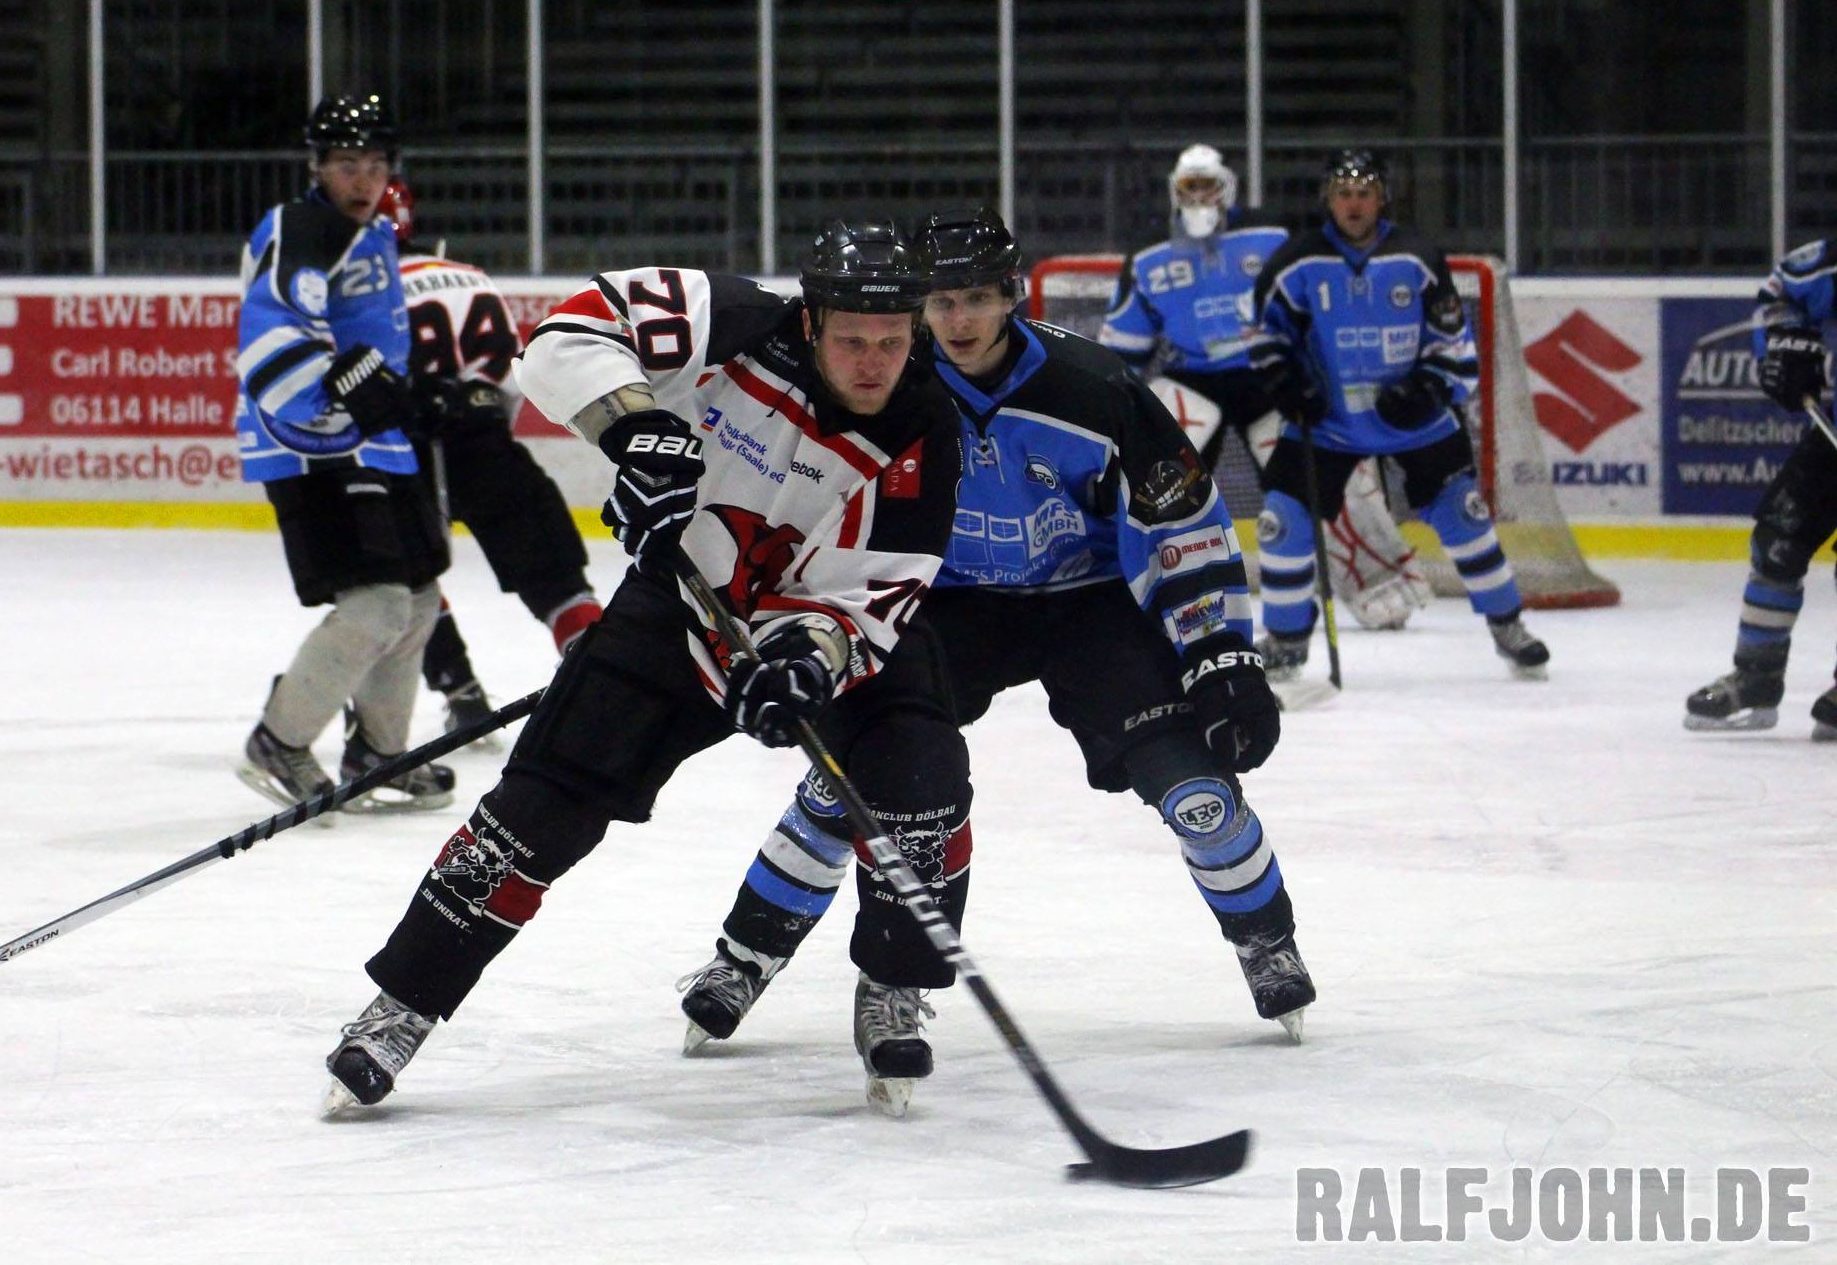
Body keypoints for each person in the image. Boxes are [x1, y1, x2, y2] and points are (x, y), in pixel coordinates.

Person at [320, 221, 973, 1116]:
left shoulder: (926, 425)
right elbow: (563, 336)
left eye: (892, 342)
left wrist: (802, 659)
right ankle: (400, 1005)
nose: (873, 362)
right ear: (813, 321)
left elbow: (873, 588)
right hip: (677, 610)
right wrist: (637, 432)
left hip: (820, 640)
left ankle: (894, 986)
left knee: (921, 774)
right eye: (853, 340)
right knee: (537, 809)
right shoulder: (738, 319)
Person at [676, 209, 1311, 1110]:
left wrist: (1219, 655)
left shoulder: (1097, 387)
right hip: (943, 602)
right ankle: (748, 954)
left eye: (977, 296)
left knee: (1196, 787)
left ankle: (1265, 937)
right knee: (850, 781)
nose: (958, 318)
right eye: (939, 299)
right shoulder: (890, 382)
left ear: (1013, 294)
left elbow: (1182, 523)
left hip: (1082, 602)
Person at [1100, 144, 1429, 631]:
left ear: (1226, 188)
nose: (1198, 197)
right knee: (1152, 473)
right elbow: (1124, 345)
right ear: (1174, 191)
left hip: (1267, 376)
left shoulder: (1270, 236)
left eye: (1206, 186)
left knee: (1327, 471)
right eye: (1189, 188)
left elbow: (1307, 304)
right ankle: (1140, 591)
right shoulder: (1150, 255)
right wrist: (1111, 397)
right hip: (1192, 376)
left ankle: (1379, 581)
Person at [1248, 149, 1550, 680]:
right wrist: (1287, 384)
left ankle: (1508, 625)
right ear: (1328, 200)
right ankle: (1286, 638)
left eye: (1365, 192)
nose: (1354, 203)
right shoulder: (1297, 263)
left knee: (1466, 517)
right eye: (1343, 193)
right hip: (1329, 424)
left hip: (1417, 424)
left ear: (1382, 197)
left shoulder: (1416, 257)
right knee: (1281, 522)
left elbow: (1453, 343)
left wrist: (1428, 389)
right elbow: (1267, 338)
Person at [232, 94, 454, 815]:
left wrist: (414, 394)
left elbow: (375, 343)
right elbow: (272, 323)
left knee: (419, 597)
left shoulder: (375, 234)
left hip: (375, 444)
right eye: (347, 164)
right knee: (378, 600)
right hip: (310, 446)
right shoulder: (299, 225)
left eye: (375, 164)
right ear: (317, 166)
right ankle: (281, 740)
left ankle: (381, 754)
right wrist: (344, 385)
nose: (363, 178)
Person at [377, 176, 604, 744]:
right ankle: (601, 684)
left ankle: (462, 694)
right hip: (488, 439)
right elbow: (511, 378)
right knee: (557, 576)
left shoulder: (370, 287)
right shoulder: (473, 276)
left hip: (412, 451)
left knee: (412, 578)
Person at [1684, 238, 1837, 739]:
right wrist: (1787, 343)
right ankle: (1757, 676)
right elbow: (1781, 295)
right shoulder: (1824, 264)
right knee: (1777, 542)